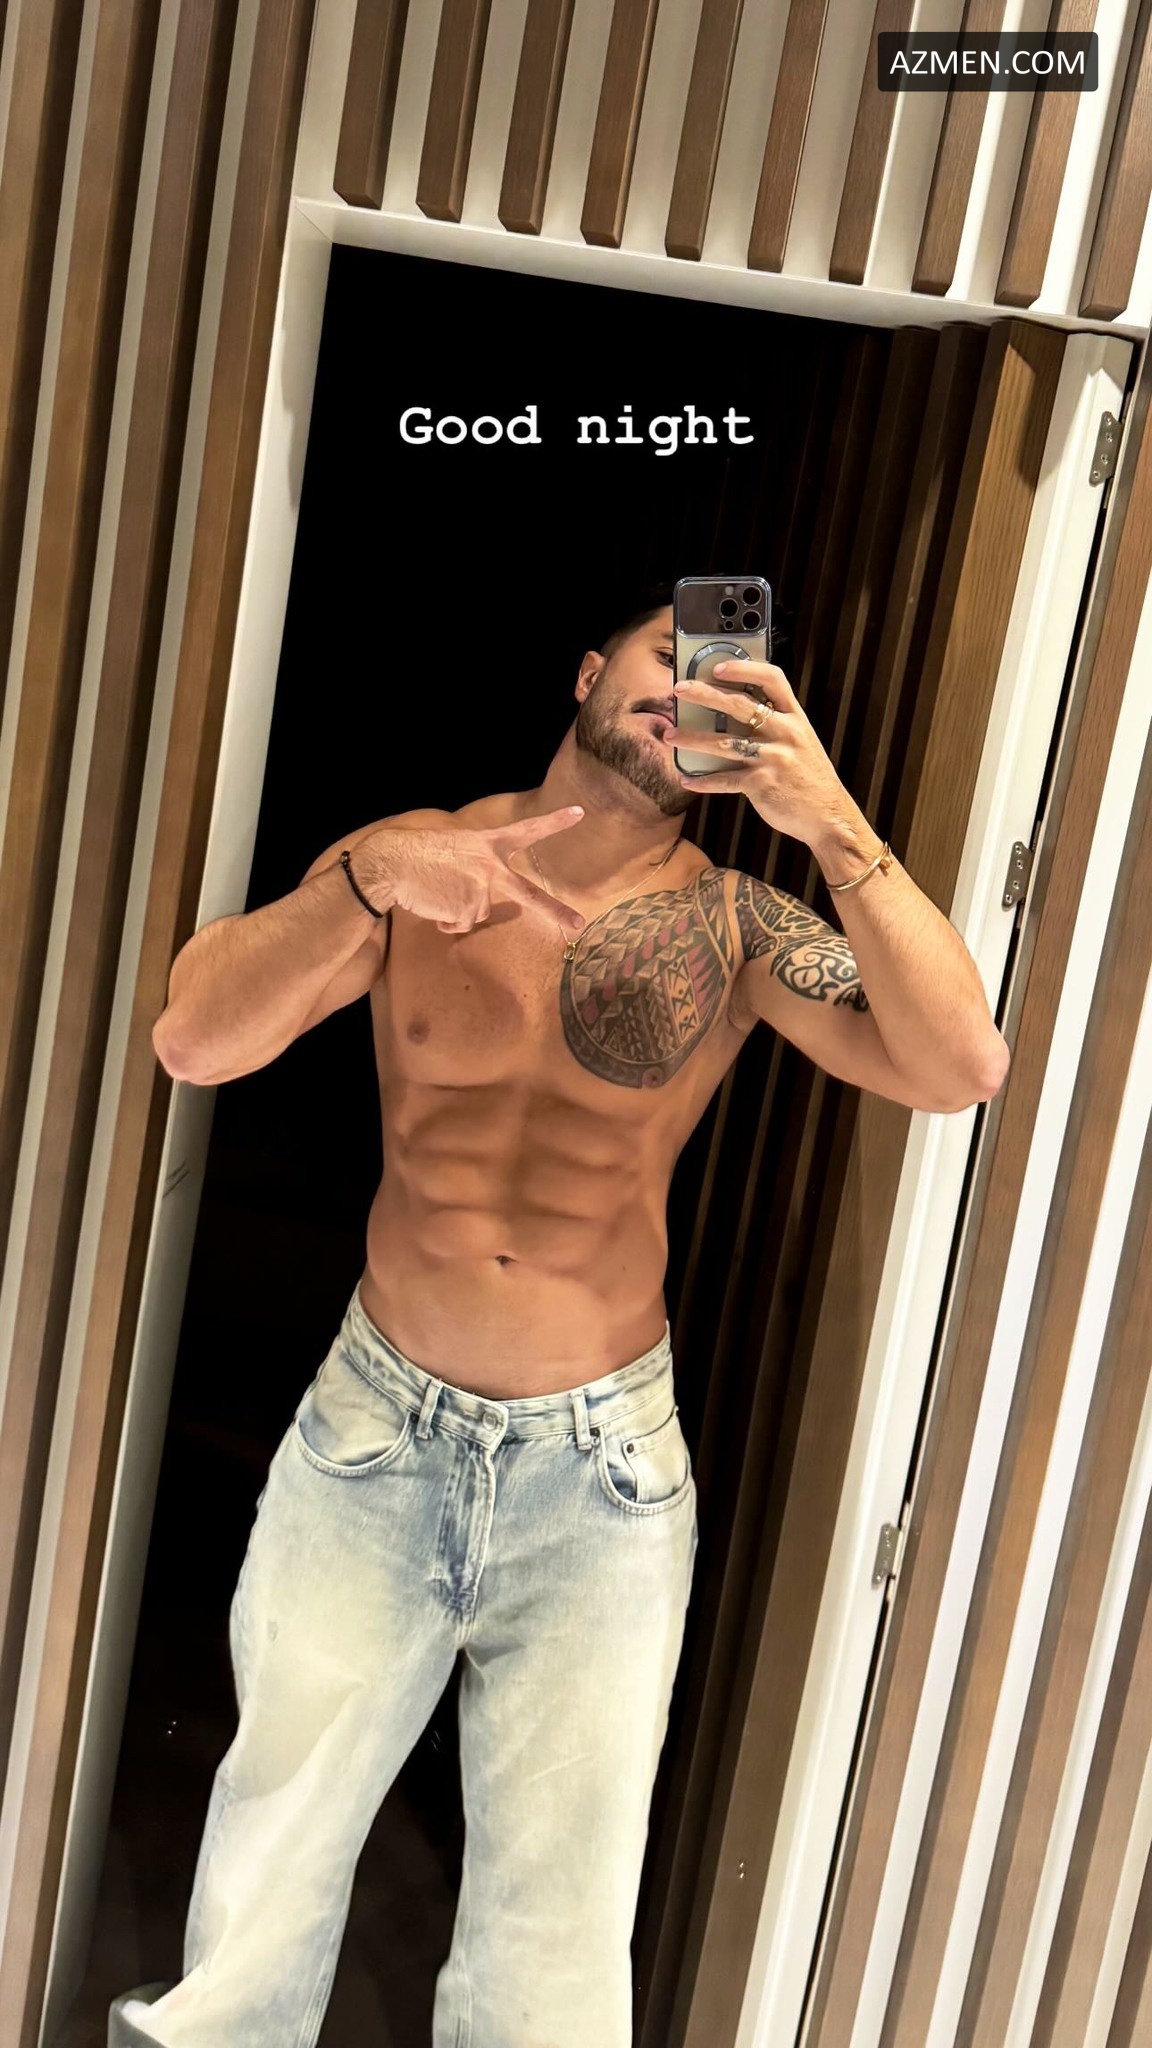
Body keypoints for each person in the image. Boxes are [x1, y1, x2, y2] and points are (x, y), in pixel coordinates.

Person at [109, 598, 1009, 2048]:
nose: (691, 689)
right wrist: (364, 881)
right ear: (593, 673)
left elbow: (960, 1064)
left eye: (733, 682)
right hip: (377, 1427)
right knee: (271, 1847)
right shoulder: (415, 859)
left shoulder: (737, 925)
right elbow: (193, 1039)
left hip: (601, 1474)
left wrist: (833, 823)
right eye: (671, 655)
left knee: (556, 1930)